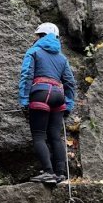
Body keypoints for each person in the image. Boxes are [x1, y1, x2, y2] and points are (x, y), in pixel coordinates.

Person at [18, 23, 76, 184]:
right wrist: (68, 104)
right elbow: (70, 83)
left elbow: (26, 75)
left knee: (39, 135)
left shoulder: (33, 51)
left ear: (41, 35)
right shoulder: (62, 58)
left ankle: (48, 172)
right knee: (55, 136)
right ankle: (60, 173)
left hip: (41, 93)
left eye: (38, 35)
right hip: (59, 96)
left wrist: (24, 100)